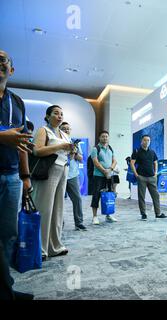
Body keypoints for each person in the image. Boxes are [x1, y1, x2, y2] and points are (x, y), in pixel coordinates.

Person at [0, 49, 34, 300]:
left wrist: (25, 175)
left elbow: (21, 140)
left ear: (11, 70)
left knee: (8, 234)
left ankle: (5, 288)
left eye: (4, 60)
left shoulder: (17, 102)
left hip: (12, 176)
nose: (0, 62)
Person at [32, 105, 74, 260]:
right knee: (45, 208)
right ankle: (40, 248)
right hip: (49, 170)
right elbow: (37, 151)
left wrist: (70, 149)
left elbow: (66, 151)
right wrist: (61, 146)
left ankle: (54, 246)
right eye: (56, 113)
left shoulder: (64, 133)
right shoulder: (43, 130)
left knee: (58, 209)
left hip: (64, 169)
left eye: (62, 114)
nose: (59, 116)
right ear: (48, 116)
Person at [130, 135, 167, 220]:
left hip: (152, 177)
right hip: (141, 177)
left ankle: (158, 213)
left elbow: (155, 162)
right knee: (141, 196)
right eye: (145, 140)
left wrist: (155, 173)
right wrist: (136, 175)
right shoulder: (136, 151)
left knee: (156, 196)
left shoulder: (152, 152)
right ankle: (143, 214)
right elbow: (132, 163)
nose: (146, 142)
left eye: (148, 140)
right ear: (141, 141)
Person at [60, 122, 86, 231]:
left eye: (68, 129)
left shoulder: (75, 143)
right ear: (60, 130)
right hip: (59, 174)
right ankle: (59, 223)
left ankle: (79, 222)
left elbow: (81, 158)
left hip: (72, 175)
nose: (66, 130)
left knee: (77, 199)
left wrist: (74, 153)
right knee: (58, 201)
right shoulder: (57, 142)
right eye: (64, 129)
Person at [90, 130, 118, 224]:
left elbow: (114, 161)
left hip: (109, 175)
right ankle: (94, 217)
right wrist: (104, 171)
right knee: (96, 195)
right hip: (98, 176)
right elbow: (95, 162)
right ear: (99, 138)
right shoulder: (96, 148)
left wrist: (110, 169)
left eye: (106, 136)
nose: (105, 138)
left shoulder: (110, 148)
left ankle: (108, 215)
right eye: (103, 136)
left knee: (109, 195)